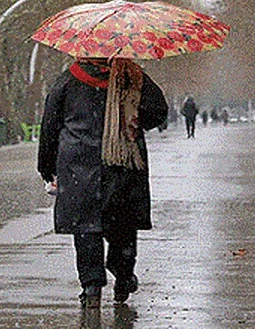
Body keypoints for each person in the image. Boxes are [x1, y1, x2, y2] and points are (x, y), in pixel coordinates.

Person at [38, 57, 169, 309]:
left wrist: (46, 166)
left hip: (79, 165)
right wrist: (131, 118)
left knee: (86, 227)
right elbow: (158, 112)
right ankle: (123, 275)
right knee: (122, 225)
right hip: (122, 165)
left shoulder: (68, 80)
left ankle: (91, 286)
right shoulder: (132, 76)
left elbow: (50, 126)